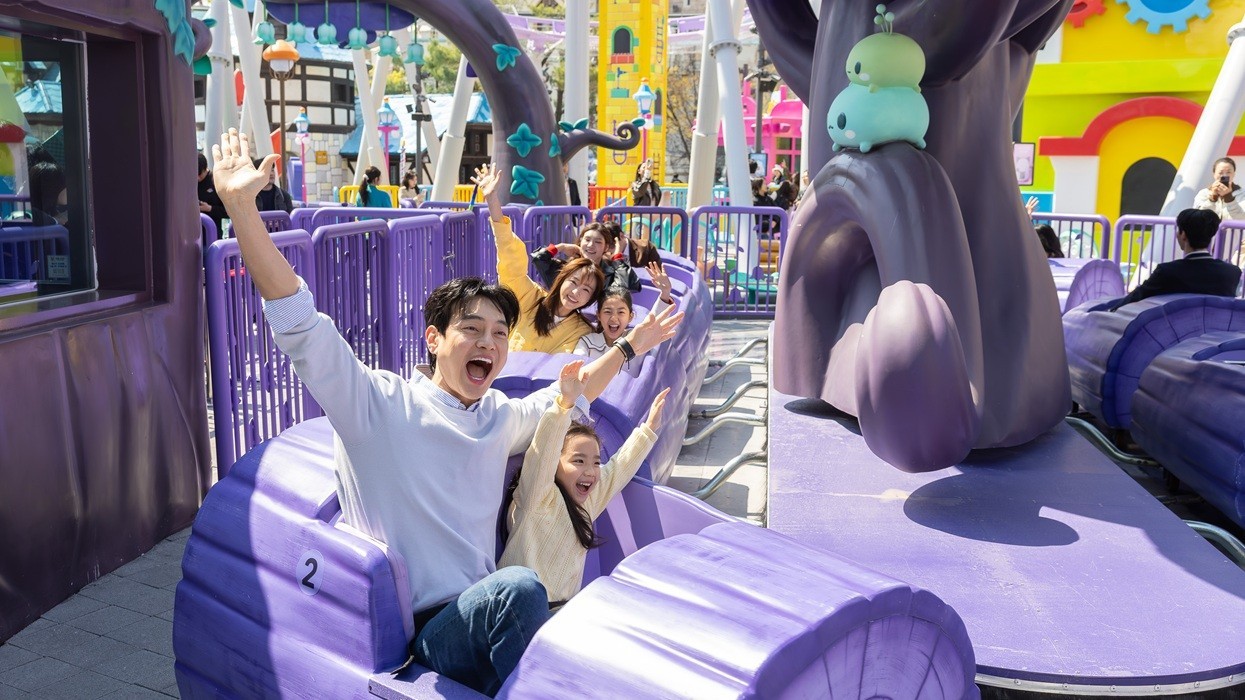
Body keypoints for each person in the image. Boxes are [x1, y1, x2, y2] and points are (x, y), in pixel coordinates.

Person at [210, 129, 682, 695]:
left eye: (500, 334)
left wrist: (631, 346)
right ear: (433, 339)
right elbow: (300, 321)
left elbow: (571, 391)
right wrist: (241, 208)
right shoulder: (377, 404)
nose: (489, 343)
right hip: (432, 629)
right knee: (522, 591)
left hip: (489, 611)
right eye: (472, 329)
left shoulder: (497, 417)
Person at [499, 360, 668, 606]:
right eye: (578, 461)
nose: (590, 471)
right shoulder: (536, 497)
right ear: (555, 464)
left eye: (595, 462)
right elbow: (543, 451)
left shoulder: (587, 502)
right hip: (520, 608)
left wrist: (649, 429)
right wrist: (564, 405)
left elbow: (619, 468)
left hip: (562, 610)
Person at [483, 163, 654, 354]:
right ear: (562, 278)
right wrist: (492, 201)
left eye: (586, 289)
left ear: (591, 298)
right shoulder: (530, 297)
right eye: (573, 282)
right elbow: (511, 255)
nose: (577, 292)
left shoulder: (581, 330)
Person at [1107, 208, 1242, 311]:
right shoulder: (1232, 272)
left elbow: (1135, 297)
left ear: (1183, 235)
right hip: (1215, 336)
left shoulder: (1167, 271)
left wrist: (1110, 311)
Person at [574, 262, 674, 377]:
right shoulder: (587, 342)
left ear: (630, 317)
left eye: (621, 312)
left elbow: (652, 323)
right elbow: (578, 367)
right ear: (598, 315)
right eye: (607, 311)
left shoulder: (637, 337)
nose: (614, 318)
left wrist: (665, 292)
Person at [530, 221, 640, 293]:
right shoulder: (565, 268)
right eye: (587, 240)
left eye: (598, 242)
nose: (591, 245)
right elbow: (538, 259)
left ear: (606, 247)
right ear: (581, 240)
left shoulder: (612, 273)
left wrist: (617, 257)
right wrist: (561, 247)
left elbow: (631, 286)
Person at [1193, 157, 1244, 221]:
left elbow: (1242, 218)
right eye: (1220, 173)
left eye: (1228, 172)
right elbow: (1198, 218)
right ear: (1214, 174)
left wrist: (1229, 198)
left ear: (1234, 174)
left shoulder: (1242, 194)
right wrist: (1212, 199)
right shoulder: (1203, 193)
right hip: (1210, 231)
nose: (1224, 176)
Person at [198, 152, 226, 237]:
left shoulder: (216, 180)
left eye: (199, 174)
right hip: (193, 236)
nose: (197, 178)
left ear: (205, 168)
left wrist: (210, 208)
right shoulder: (188, 182)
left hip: (212, 235)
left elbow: (228, 212)